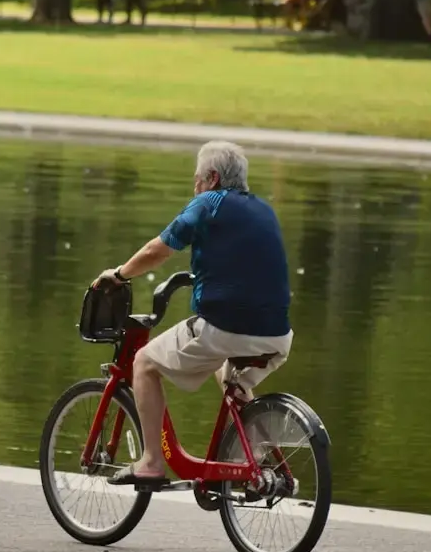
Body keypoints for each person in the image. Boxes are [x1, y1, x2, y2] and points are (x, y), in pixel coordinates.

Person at [91, 141, 293, 486]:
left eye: (197, 179)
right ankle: (254, 462)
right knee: (230, 378)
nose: (194, 186)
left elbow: (158, 250)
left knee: (144, 362)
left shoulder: (209, 203)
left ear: (212, 178)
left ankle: (151, 462)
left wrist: (120, 274)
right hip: (277, 335)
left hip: (225, 329)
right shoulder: (264, 209)